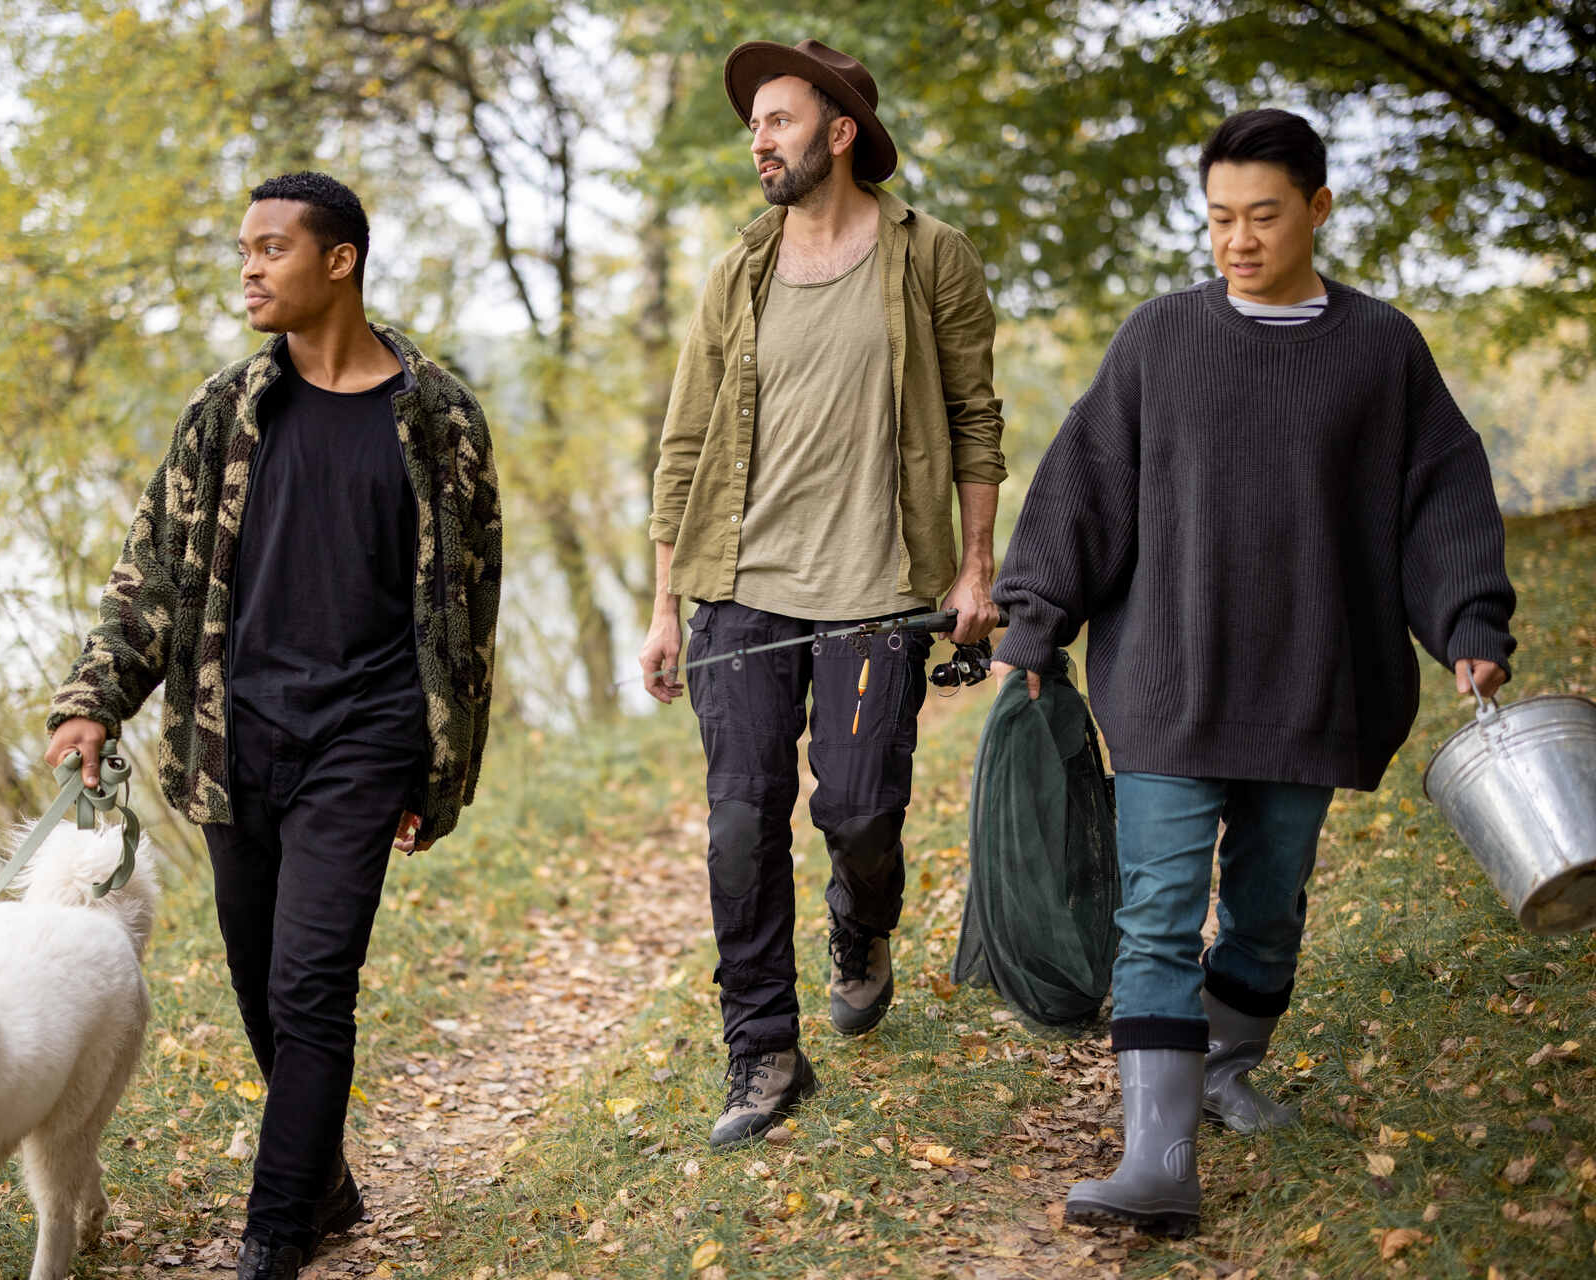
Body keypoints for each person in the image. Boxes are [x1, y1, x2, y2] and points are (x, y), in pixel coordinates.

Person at [990, 108, 1515, 1237]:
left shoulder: (1381, 350)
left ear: (1319, 209)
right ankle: (1156, 1155)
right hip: (1173, 679)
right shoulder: (1159, 339)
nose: (1237, 238)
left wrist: (1469, 616)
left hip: (1313, 680)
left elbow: (1444, 497)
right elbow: (1083, 484)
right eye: (1220, 217)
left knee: (1268, 909)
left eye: (1262, 215)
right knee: (1161, 909)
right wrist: (1033, 621)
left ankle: (1224, 1067)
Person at [44, 172, 502, 1279]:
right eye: (242, 249)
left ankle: (276, 1226)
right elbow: (154, 572)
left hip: (368, 732)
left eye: (270, 247)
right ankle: (328, 1181)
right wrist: (91, 697)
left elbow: (466, 608)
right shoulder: (228, 412)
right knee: (261, 982)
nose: (248, 267)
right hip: (236, 736)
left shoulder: (436, 417)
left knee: (310, 984)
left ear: (338, 259)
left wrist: (437, 769)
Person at [638, 38, 1005, 1150]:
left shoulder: (930, 256)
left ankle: (862, 924)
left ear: (840, 132)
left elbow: (975, 417)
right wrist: (665, 602)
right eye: (754, 124)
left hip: (877, 585)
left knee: (857, 806)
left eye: (779, 120)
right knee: (742, 824)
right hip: (741, 588)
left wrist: (975, 563)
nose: (759, 139)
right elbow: (685, 441)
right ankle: (762, 1050)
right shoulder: (737, 272)